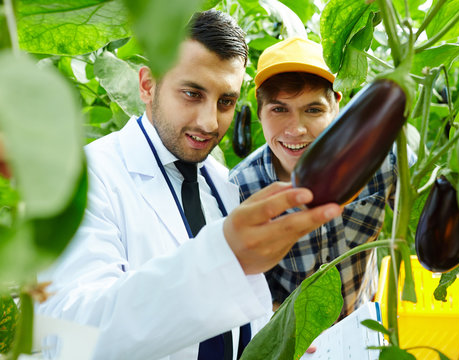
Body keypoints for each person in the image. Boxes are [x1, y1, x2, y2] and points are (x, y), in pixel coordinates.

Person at [37, 11, 342, 360]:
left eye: (225, 101)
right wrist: (224, 255)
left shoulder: (219, 182)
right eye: (192, 94)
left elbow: (218, 313)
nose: (210, 122)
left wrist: (269, 333)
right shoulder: (82, 177)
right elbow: (68, 334)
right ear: (148, 85)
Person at [229, 37, 408, 318]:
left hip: (363, 324)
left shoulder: (383, 163)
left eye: (313, 110)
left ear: (336, 107)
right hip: (291, 338)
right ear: (260, 112)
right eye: (279, 109)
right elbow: (242, 285)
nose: (296, 129)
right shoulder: (239, 189)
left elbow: (419, 217)